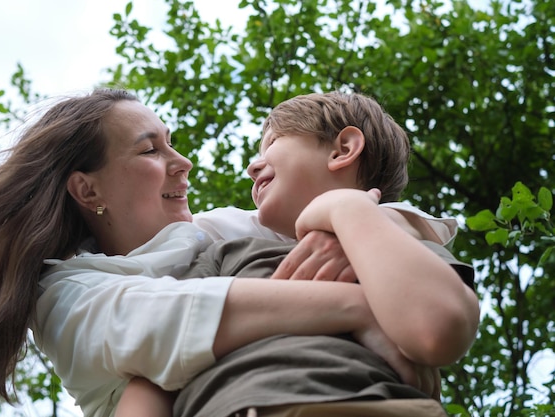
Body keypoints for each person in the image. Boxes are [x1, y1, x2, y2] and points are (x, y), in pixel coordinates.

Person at [0, 88, 463, 417]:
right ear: (88, 191)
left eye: (171, 142)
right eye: (150, 149)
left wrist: (350, 217)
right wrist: (363, 307)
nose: (183, 162)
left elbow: (409, 238)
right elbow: (169, 329)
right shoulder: (68, 294)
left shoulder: (219, 234)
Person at [113, 91, 480, 417]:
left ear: (342, 150)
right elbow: (156, 371)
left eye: (272, 144)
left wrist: (346, 208)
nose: (251, 167)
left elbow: (437, 331)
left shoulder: (401, 246)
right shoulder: (226, 256)